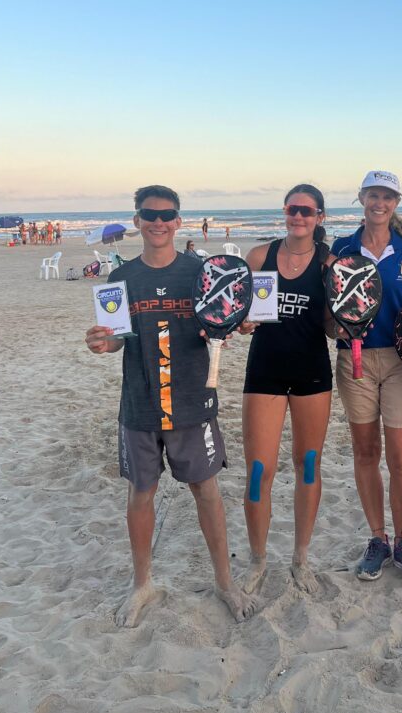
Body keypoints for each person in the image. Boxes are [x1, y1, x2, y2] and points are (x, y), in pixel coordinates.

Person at [84, 184, 256, 627]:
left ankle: (224, 582)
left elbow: (223, 321)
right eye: (148, 214)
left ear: (179, 221)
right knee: (141, 494)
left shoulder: (202, 272)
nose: (158, 222)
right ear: (137, 219)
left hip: (192, 402)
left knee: (207, 491)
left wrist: (240, 325)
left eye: (167, 215)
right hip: (140, 405)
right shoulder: (120, 280)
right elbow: (118, 334)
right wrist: (104, 344)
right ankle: (142, 583)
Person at [330, 170, 402, 583]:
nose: (379, 203)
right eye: (373, 195)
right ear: (361, 198)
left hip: (401, 364)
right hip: (354, 362)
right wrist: (336, 328)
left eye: (387, 197)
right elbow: (330, 312)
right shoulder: (339, 248)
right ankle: (378, 538)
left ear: (396, 203)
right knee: (366, 453)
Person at [237, 184, 332, 596]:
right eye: (293, 209)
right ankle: (258, 560)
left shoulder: (330, 263)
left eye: (307, 212)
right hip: (265, 372)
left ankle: (300, 557)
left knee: (308, 465)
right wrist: (240, 324)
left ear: (320, 218)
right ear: (285, 212)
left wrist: (349, 321)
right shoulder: (259, 256)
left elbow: (332, 326)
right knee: (259, 472)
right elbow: (238, 315)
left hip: (312, 373)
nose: (299, 217)